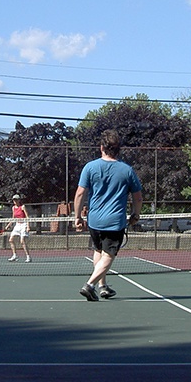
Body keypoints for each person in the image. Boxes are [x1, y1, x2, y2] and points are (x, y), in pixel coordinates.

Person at [74, 129, 143, 301]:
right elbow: (138, 197)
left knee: (99, 250)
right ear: (118, 149)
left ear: (102, 147)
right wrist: (136, 213)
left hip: (94, 221)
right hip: (114, 222)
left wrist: (77, 217)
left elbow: (79, 194)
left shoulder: (90, 167)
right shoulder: (127, 170)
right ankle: (89, 285)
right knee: (109, 255)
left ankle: (103, 286)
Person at [7, 194, 31, 263]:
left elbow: (27, 217)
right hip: (17, 225)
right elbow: (13, 218)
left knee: (22, 241)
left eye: (16, 199)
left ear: (19, 200)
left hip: (24, 225)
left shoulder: (23, 207)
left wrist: (28, 226)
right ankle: (14, 255)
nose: (15, 201)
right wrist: (8, 225)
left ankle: (28, 257)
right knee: (11, 240)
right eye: (14, 200)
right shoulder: (13, 208)